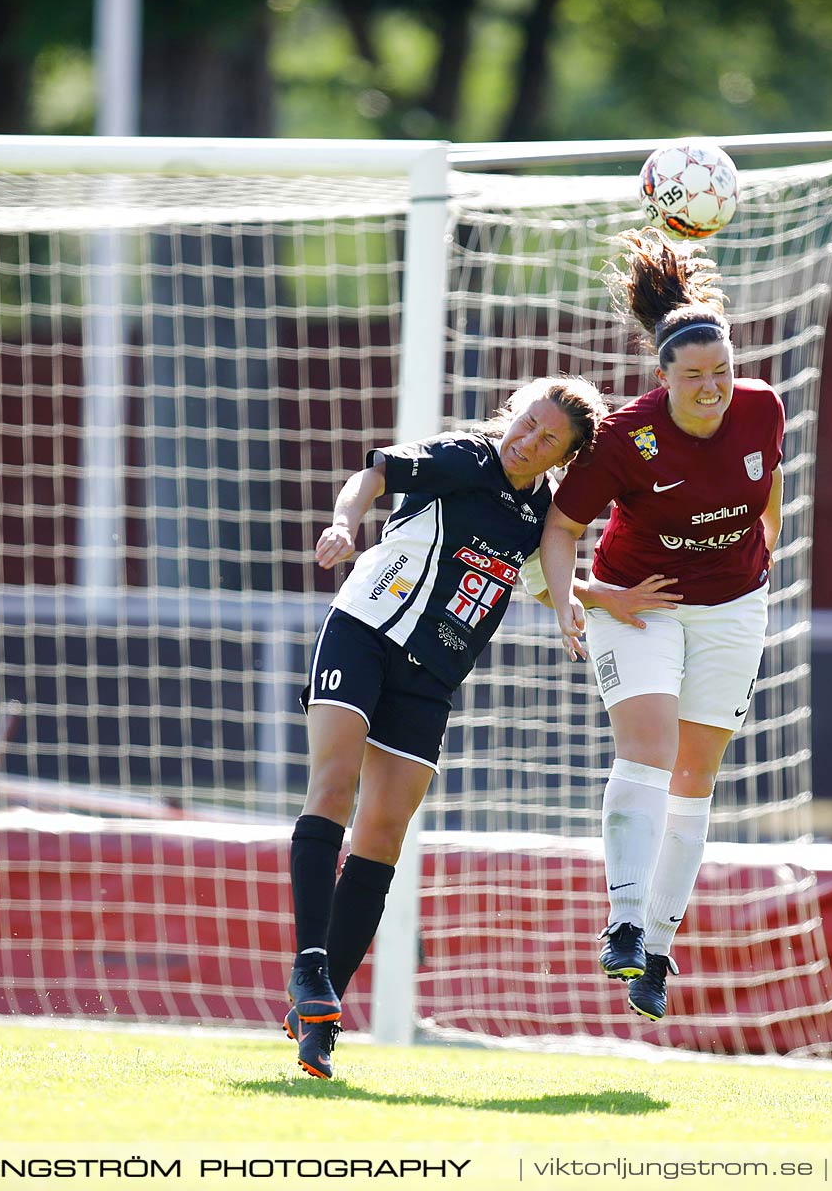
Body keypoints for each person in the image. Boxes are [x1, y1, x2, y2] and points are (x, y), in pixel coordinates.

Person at [283, 375, 679, 1079]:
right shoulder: (466, 455)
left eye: (545, 437)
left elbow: (539, 571)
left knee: (382, 833)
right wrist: (345, 522)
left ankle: (321, 1016)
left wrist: (599, 598)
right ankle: (310, 966)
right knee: (334, 786)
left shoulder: (539, 513)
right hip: (367, 628)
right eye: (524, 423)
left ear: (566, 455)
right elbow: (374, 473)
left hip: (432, 675)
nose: (525, 440)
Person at [539, 228, 786, 1023]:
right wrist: (581, 602)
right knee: (648, 750)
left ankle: (659, 949)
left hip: (734, 608)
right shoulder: (623, 438)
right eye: (694, 377)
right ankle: (621, 921)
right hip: (636, 601)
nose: (712, 387)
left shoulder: (763, 409)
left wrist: (756, 561)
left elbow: (769, 491)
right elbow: (556, 528)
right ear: (663, 376)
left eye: (722, 371)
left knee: (696, 780)